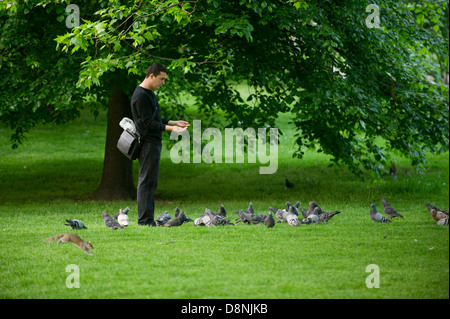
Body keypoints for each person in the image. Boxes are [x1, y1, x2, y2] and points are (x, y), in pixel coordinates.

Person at [131, 63, 189, 226]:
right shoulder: (141, 95)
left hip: (154, 143)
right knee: (146, 182)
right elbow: (147, 124)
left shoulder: (149, 93)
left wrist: (173, 121)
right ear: (151, 76)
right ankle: (144, 220)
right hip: (148, 143)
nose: (163, 82)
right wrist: (172, 128)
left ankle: (148, 219)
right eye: (161, 79)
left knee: (151, 182)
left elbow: (154, 119)